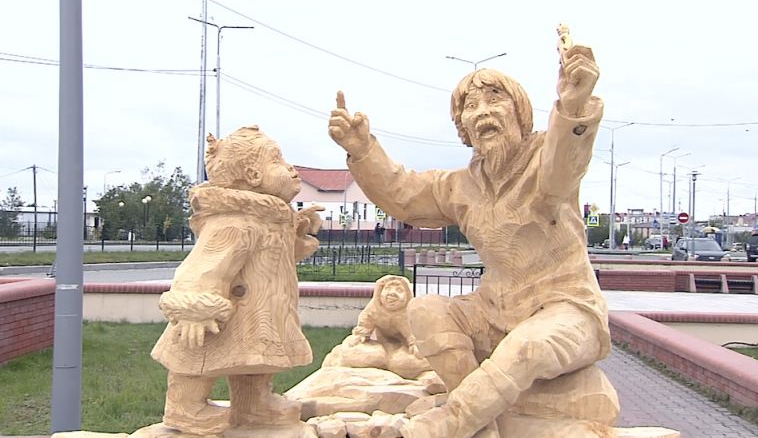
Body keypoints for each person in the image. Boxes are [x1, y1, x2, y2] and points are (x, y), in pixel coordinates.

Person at [328, 31, 617, 437]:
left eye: (495, 99)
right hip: (494, 311)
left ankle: (452, 422)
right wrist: (363, 152)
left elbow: (561, 170)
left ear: (520, 112)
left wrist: (572, 106)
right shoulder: (460, 186)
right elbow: (404, 195)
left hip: (565, 309)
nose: (482, 112)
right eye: (470, 106)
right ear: (462, 128)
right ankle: (484, 424)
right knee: (425, 310)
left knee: (528, 346)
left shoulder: (544, 159)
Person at [151, 126, 324, 435]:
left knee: (256, 358)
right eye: (277, 160)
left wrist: (298, 233)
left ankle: (253, 404)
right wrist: (195, 307)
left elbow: (276, 256)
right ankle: (185, 406)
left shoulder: (271, 219)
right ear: (253, 175)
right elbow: (205, 263)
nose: (291, 168)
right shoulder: (236, 222)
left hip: (261, 312)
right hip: (223, 314)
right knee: (199, 355)